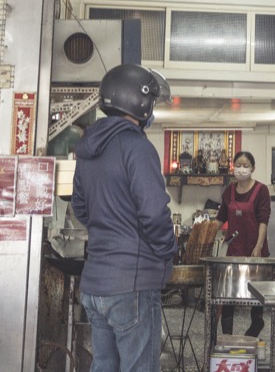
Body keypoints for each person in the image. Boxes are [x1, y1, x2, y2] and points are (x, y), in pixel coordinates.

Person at [72, 63, 178, 372]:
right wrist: (167, 251)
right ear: (140, 102)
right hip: (131, 284)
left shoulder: (88, 149)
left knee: (104, 366)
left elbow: (81, 208)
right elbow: (155, 213)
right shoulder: (137, 147)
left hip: (95, 285)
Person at [216, 151, 271, 337]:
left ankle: (255, 327)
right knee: (228, 295)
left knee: (255, 295)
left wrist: (259, 245)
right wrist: (205, 233)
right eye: (238, 165)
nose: (241, 169)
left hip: (254, 250)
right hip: (233, 251)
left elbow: (264, 220)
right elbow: (220, 218)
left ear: (253, 168)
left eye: (245, 165)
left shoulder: (261, 190)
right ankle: (227, 338)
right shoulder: (229, 191)